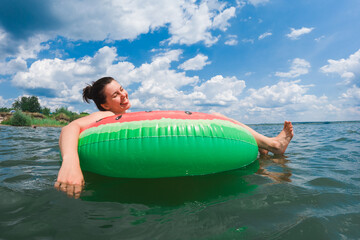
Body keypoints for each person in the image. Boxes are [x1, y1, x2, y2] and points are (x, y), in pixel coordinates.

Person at [54, 76, 294, 197]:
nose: (123, 95)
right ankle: (272, 146)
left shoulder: (131, 116)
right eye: (115, 95)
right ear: (105, 105)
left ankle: (268, 149)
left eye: (122, 89)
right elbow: (70, 128)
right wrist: (71, 162)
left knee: (218, 116)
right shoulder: (101, 120)